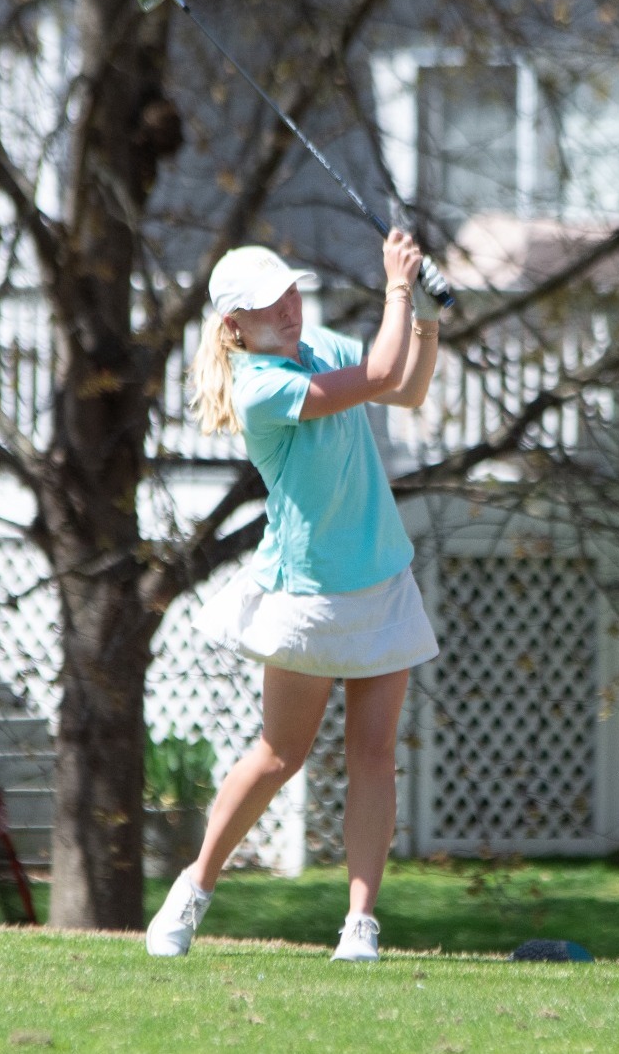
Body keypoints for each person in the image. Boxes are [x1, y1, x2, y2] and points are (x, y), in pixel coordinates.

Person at [146, 230, 442, 963]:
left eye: (288, 292)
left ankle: (360, 924)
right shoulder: (260, 386)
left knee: (375, 754)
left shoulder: (318, 346)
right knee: (281, 754)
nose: (285, 307)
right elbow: (377, 372)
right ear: (233, 327)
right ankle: (193, 888)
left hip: (381, 575)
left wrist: (427, 319)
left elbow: (405, 384)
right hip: (309, 594)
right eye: (264, 304)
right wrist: (398, 288)